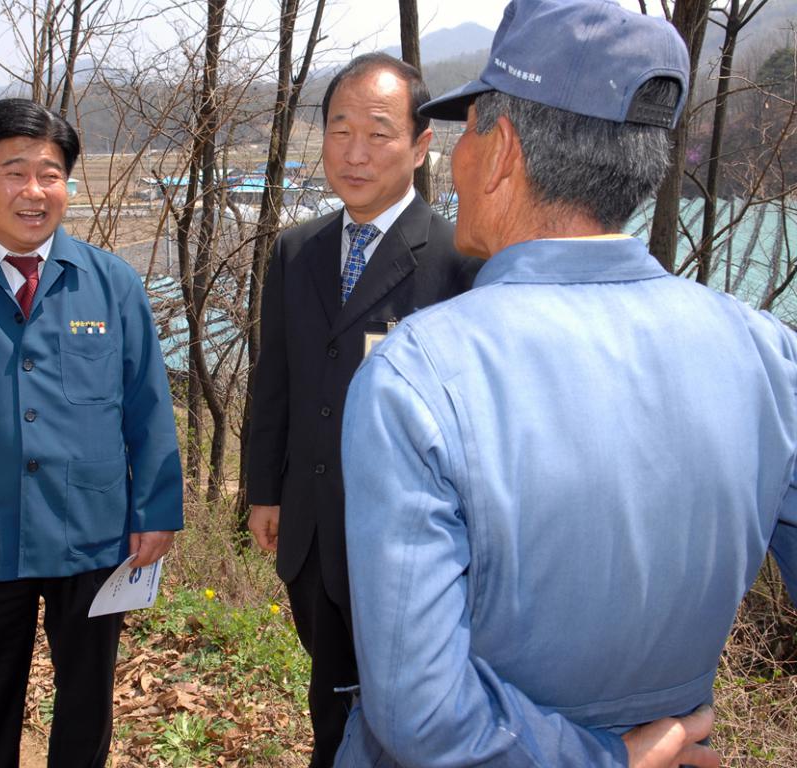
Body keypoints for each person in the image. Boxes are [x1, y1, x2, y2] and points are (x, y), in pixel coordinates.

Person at [335, 1, 797, 766]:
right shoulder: (767, 356)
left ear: (505, 148)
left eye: (469, 130)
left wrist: (609, 758)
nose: (456, 161)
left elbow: (420, 712)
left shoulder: (418, 377)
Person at [0, 98, 183, 768]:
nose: (33, 191)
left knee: (85, 703)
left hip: (94, 530)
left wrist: (155, 511)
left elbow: (147, 406)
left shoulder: (112, 283)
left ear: (67, 185)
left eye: (50, 174)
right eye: (15, 172)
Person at [246, 53, 481, 766]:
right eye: (339, 128)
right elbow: (276, 378)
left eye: (378, 132)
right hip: (312, 531)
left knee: (406, 715)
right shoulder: (297, 250)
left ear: (420, 144)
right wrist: (263, 490)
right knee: (330, 702)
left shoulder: (458, 260)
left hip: (410, 544)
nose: (354, 152)